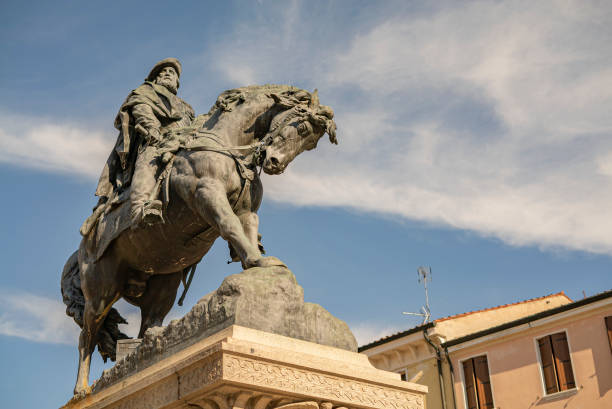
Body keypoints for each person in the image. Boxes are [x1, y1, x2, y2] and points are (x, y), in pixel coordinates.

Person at [83, 58, 194, 233]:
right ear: (156, 79)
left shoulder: (187, 108)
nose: (166, 74)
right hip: (157, 141)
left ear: (177, 82)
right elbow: (142, 111)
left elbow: (193, 126)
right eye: (162, 73)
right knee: (149, 161)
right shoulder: (144, 93)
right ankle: (140, 209)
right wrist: (153, 131)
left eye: (171, 73)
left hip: (182, 144)